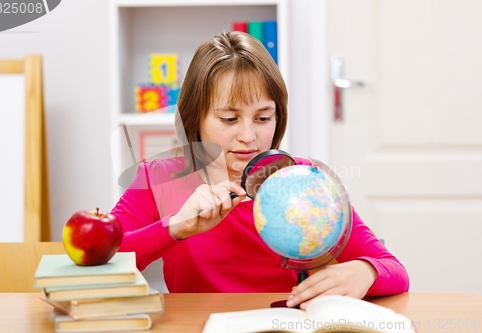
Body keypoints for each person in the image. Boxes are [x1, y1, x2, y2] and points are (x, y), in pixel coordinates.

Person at [111, 31, 409, 310]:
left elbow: (394, 270)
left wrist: (364, 271)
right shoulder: (159, 178)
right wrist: (174, 227)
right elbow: (105, 263)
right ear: (194, 118)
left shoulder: (303, 179)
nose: (248, 136)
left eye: (263, 118)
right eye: (229, 119)